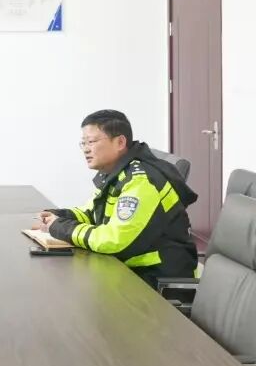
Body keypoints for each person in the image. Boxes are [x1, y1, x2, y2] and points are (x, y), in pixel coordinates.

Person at [34, 110, 198, 287]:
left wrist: (59, 227)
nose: (86, 149)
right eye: (83, 143)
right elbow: (91, 213)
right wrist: (58, 216)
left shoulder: (141, 181)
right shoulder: (116, 173)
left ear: (120, 142)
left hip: (152, 280)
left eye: (91, 142)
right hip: (127, 269)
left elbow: (113, 240)